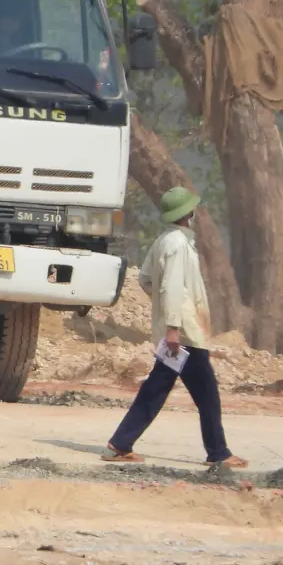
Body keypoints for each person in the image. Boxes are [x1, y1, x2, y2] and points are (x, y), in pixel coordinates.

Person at [102, 186, 248, 468]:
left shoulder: (163, 241)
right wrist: (173, 326)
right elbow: (170, 287)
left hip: (176, 331)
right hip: (184, 334)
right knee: (207, 394)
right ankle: (218, 453)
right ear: (188, 214)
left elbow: (146, 280)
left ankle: (119, 444)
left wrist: (163, 313)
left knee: (155, 389)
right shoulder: (179, 245)